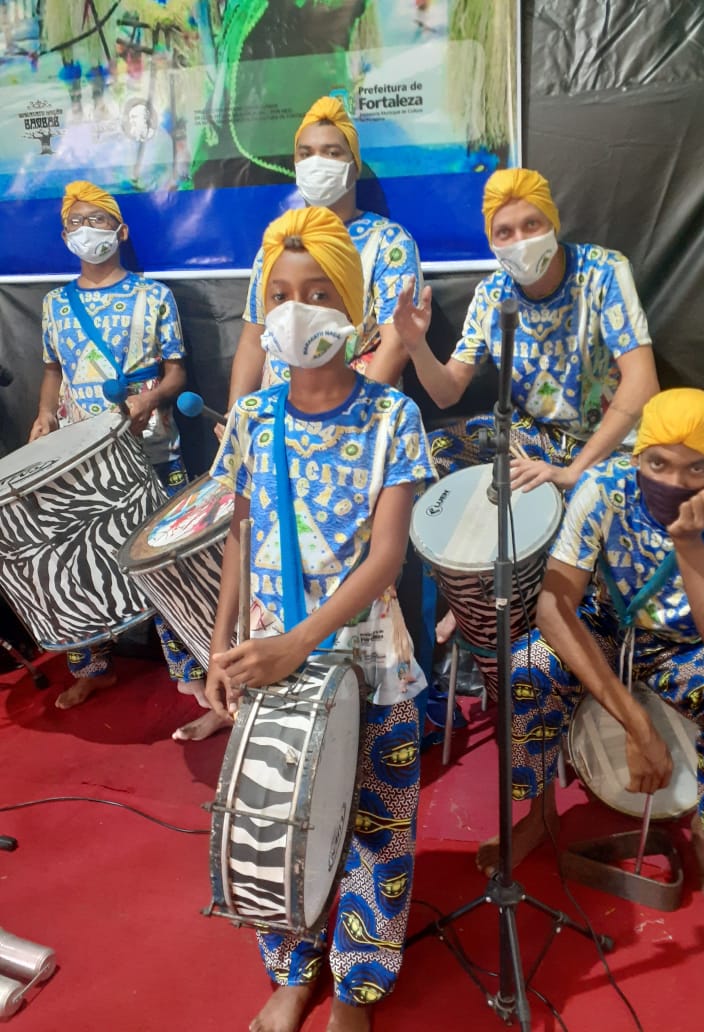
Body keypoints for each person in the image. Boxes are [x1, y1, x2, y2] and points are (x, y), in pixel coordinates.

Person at [205, 205, 435, 1032]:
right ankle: (293, 972)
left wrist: (294, 644)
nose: (297, 310)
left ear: (354, 308)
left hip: (369, 661)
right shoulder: (253, 418)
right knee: (278, 826)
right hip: (268, 655)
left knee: (378, 824)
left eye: (318, 293)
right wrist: (221, 642)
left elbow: (387, 560)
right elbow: (238, 533)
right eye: (281, 294)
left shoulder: (392, 418)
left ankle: (355, 987)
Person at [484, 388, 704, 924]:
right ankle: (539, 813)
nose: (674, 481)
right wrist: (638, 726)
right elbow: (553, 608)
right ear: (638, 456)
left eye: (696, 467)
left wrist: (689, 544)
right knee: (526, 667)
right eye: (658, 463)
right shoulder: (604, 487)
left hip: (687, 647)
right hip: (608, 628)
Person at [393, 165, 660, 641]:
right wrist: (415, 346)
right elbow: (447, 391)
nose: (520, 240)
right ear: (492, 242)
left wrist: (574, 470)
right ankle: (468, 593)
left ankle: (573, 624)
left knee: (599, 496)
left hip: (611, 444)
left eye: (531, 225)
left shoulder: (602, 272)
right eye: (505, 232)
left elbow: (643, 386)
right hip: (532, 436)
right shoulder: (492, 294)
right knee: (427, 454)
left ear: (552, 223)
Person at [29, 180, 207, 727]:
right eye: (75, 222)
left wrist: (150, 398)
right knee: (79, 565)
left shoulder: (154, 297)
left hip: (153, 450)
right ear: (64, 235)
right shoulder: (55, 304)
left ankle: (192, 670)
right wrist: (44, 415)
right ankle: (93, 666)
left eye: (97, 220)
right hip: (83, 461)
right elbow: (53, 371)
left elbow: (176, 373)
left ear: (121, 231)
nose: (86, 230)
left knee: (167, 564)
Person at [228, 94, 422, 402]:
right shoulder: (279, 241)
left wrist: (349, 415)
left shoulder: (388, 243)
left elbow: (395, 344)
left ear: (354, 167)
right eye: (305, 154)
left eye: (331, 153)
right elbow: (254, 340)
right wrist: (235, 415)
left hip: (359, 410)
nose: (316, 163)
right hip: (276, 412)